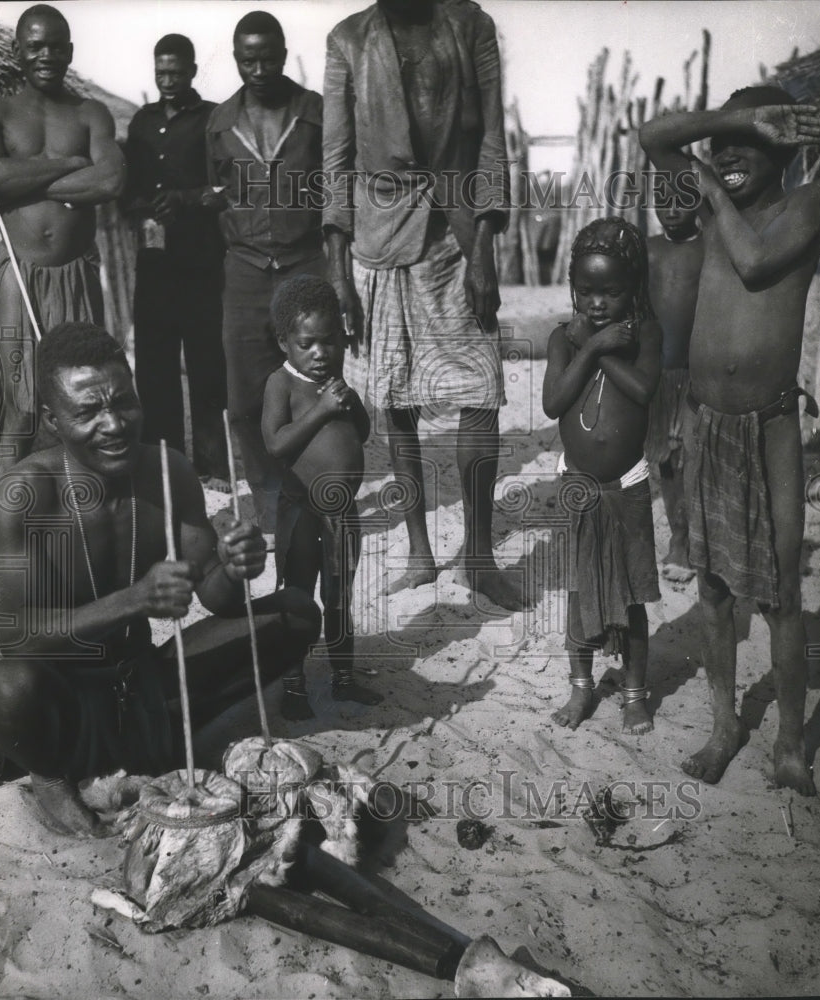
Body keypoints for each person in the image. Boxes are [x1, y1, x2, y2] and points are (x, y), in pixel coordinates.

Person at [0, 323, 322, 837]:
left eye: (123, 403)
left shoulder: (169, 470)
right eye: (89, 412)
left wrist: (234, 568)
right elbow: (15, 637)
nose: (114, 424)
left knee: (295, 613)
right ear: (52, 420)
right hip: (64, 699)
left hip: (145, 686)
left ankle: (141, 742)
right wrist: (134, 600)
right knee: (11, 689)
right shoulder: (25, 494)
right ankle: (49, 772)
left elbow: (215, 595)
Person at [640, 87, 820, 794]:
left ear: (780, 150)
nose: (722, 159)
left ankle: (787, 746)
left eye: (742, 146)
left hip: (772, 425)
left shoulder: (803, 205)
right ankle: (723, 728)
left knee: (780, 593)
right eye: (717, 148)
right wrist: (733, 124)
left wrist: (714, 183)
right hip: (706, 420)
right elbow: (654, 135)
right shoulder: (716, 204)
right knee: (715, 590)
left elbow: (754, 264)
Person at [322, 0, 522, 611]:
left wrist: (485, 245)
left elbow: (491, 137)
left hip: (459, 236)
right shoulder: (348, 39)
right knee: (394, 399)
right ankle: (418, 552)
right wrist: (339, 274)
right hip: (378, 240)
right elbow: (335, 159)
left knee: (479, 394)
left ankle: (481, 557)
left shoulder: (471, 25)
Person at [0, 4, 125, 475]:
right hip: (21, 278)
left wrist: (25, 180)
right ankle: (8, 514)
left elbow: (112, 181)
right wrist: (71, 165)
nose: (46, 55)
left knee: (84, 395)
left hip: (76, 273)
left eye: (57, 46)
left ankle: (86, 508)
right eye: (36, 45)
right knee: (19, 402)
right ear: (17, 51)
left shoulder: (90, 113)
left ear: (70, 51)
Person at [542, 218, 662, 735]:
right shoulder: (563, 339)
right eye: (587, 292)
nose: (596, 304)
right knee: (580, 590)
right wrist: (588, 346)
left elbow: (642, 391)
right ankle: (582, 689)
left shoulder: (646, 334)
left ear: (632, 289)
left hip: (627, 485)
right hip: (578, 487)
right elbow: (553, 403)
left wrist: (603, 348)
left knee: (631, 595)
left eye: (610, 292)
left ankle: (634, 694)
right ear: (573, 288)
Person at [206, 11, 326, 527]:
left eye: (269, 58)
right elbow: (213, 197)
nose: (259, 69)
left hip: (306, 264)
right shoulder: (219, 123)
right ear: (236, 59)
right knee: (245, 398)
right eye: (247, 60)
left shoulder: (316, 113)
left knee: (315, 384)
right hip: (246, 270)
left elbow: (340, 193)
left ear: (283, 53)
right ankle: (271, 507)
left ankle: (318, 498)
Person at [262, 276, 383, 719]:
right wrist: (322, 410)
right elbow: (276, 444)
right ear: (284, 343)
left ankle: (344, 679)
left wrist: (351, 405)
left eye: (330, 342)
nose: (321, 353)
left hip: (343, 513)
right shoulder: (282, 384)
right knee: (296, 597)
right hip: (301, 511)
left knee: (339, 597)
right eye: (307, 343)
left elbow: (362, 433)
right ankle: (293, 684)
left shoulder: (336, 381)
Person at [122, 33, 229, 483]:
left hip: (202, 262)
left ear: (192, 70)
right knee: (154, 365)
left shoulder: (213, 119)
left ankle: (214, 465)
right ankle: (168, 462)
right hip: (154, 264)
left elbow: (226, 187)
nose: (168, 80)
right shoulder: (140, 123)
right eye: (160, 72)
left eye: (176, 72)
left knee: (206, 364)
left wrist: (184, 200)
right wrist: (140, 208)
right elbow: (128, 191)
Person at [644, 192, 703, 582]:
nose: (672, 207)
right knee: (665, 460)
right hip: (659, 374)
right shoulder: (647, 251)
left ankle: (698, 540)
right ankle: (679, 538)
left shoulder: (710, 248)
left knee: (696, 458)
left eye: (682, 199)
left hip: (699, 372)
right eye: (662, 199)